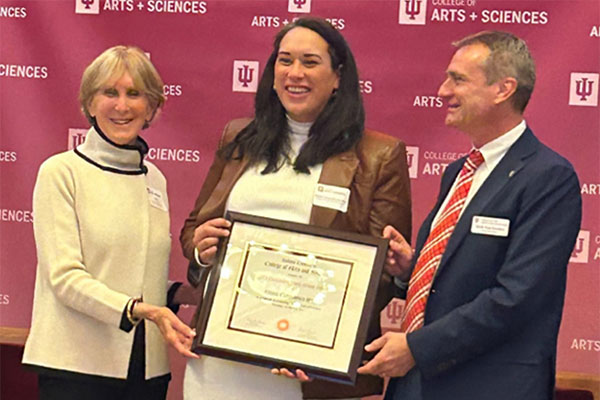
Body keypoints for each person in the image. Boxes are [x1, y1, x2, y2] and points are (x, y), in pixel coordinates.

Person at [180, 17, 412, 400]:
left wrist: (313, 333)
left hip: (308, 367)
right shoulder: (238, 137)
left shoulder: (379, 155)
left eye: (310, 61)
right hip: (222, 360)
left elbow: (381, 275)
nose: (295, 73)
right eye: (284, 61)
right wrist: (200, 248)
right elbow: (195, 228)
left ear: (338, 76)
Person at [357, 31, 582, 400]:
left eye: (458, 79)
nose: (443, 90)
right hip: (418, 382)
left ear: (503, 89)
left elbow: (516, 297)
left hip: (488, 386)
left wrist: (417, 347)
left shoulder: (549, 177)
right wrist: (410, 271)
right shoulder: (458, 172)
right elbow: (463, 279)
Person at [22, 45, 198, 400]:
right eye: (109, 92)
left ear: (152, 108)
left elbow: (130, 273)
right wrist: (138, 309)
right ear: (89, 103)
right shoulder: (61, 172)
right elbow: (65, 278)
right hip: (76, 370)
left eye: (135, 94)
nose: (122, 105)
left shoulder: (155, 179)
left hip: (146, 372)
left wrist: (190, 294)